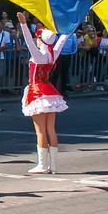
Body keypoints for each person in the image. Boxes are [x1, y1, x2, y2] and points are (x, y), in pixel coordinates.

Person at [16, 11, 69, 174]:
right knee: (51, 129)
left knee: (40, 131)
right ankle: (53, 165)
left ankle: (42, 165)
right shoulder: (53, 54)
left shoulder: (39, 55)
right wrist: (69, 25)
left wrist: (24, 24)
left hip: (38, 92)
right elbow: (63, 37)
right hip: (50, 92)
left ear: (41, 39)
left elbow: (28, 43)